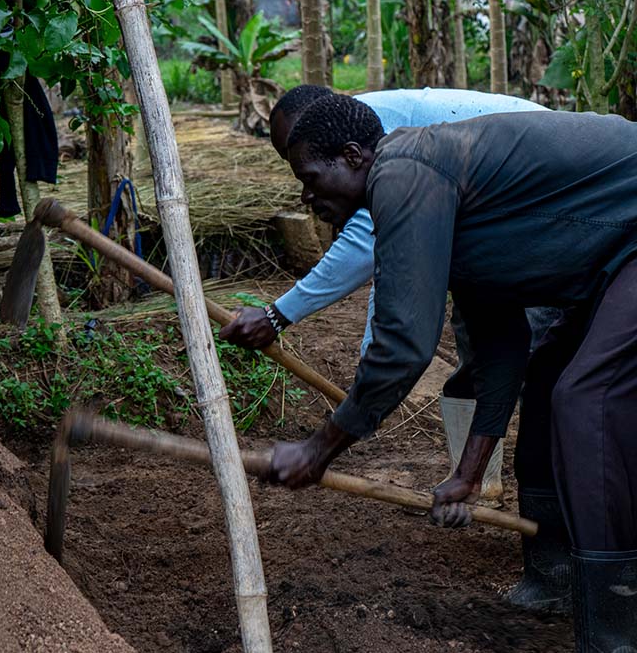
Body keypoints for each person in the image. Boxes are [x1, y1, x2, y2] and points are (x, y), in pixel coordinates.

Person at [258, 93, 637, 653]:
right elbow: (501, 344)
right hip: (612, 261)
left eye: (310, 178)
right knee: (547, 379)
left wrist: (321, 447)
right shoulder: (432, 199)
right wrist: (468, 473)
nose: (308, 198)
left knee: (588, 399)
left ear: (353, 158)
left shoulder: (405, 172)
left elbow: (403, 344)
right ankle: (557, 573)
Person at [220, 84, 557, 506]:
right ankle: (475, 485)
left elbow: (368, 253)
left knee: (550, 374)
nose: (305, 194)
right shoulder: (367, 142)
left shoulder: (383, 146)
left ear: (345, 151)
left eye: (307, 172)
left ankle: (562, 518)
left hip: (540, 217)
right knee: (485, 348)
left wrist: (277, 315)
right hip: (491, 233)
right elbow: (392, 258)